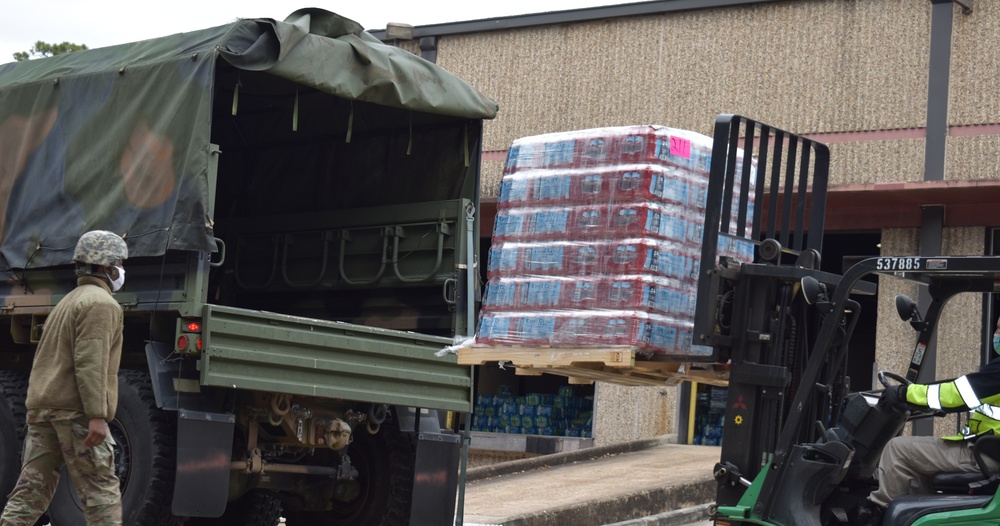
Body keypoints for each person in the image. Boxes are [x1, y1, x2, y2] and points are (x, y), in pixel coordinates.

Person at [0, 230, 128, 526]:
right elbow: (91, 362)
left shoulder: (66, 303)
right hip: (76, 411)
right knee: (101, 491)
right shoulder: (101, 304)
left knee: (31, 493)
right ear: (107, 267)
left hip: (44, 410)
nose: (122, 270)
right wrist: (97, 415)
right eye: (120, 263)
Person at [852, 315, 1000, 526]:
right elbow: (962, 391)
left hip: (985, 453)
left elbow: (958, 394)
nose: (996, 334)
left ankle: (874, 516)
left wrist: (905, 394)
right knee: (917, 459)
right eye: (996, 328)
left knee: (898, 449)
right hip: (987, 448)